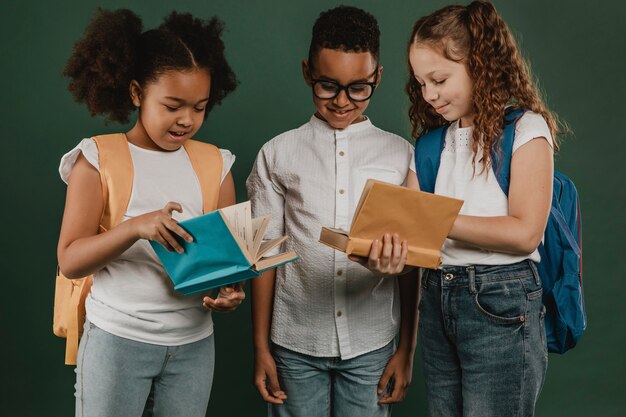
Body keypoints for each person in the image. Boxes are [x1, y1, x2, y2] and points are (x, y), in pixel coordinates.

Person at [57, 9, 244, 417]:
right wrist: (135, 228)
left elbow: (225, 264)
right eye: (173, 105)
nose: (187, 120)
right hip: (116, 342)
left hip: (194, 347)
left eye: (200, 107)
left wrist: (227, 292)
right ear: (138, 92)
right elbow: (70, 260)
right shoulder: (96, 158)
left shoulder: (217, 165)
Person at [246, 6, 419, 417]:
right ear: (308, 72)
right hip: (294, 342)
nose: (342, 101)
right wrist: (260, 348)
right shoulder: (277, 154)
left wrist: (407, 349)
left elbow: (413, 264)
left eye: (358, 88)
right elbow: (264, 256)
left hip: (372, 342)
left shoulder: (402, 156)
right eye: (328, 86)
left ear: (377, 77)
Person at [403, 1, 566, 416]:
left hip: (502, 300)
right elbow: (411, 230)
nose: (429, 94)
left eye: (439, 79)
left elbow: (525, 232)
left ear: (479, 63)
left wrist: (436, 218)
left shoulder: (527, 131)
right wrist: (384, 247)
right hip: (437, 297)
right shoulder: (428, 146)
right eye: (421, 83)